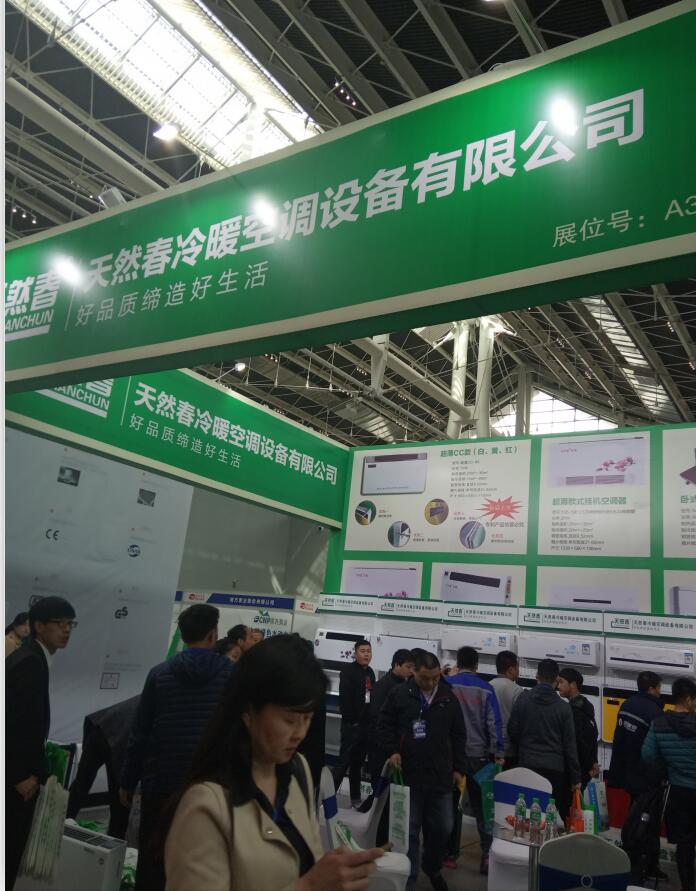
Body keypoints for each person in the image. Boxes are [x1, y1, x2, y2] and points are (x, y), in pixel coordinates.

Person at [162, 634, 383, 891]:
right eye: (289, 720)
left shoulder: (297, 770)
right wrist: (310, 885)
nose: (300, 733)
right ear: (248, 711)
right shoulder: (206, 807)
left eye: (307, 719)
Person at [119, 604, 233, 891]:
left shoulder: (159, 674)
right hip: (210, 785)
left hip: (161, 783)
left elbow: (140, 734)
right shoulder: (231, 676)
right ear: (213, 635)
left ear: (183, 636)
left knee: (153, 860)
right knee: (203, 861)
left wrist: (128, 781)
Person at [378, 650, 467, 891]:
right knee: (409, 831)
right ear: (414, 672)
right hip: (408, 775)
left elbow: (459, 735)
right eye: (425, 678)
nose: (430, 683)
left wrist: (459, 768)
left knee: (444, 826)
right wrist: (392, 750)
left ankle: (431, 865)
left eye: (435, 678)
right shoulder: (399, 694)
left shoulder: (448, 697)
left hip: (440, 776)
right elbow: (384, 724)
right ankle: (410, 879)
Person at [5, 596, 77, 890]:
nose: (67, 630)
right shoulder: (30, 663)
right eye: (60, 623)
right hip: (14, 783)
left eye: (71, 624)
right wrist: (18, 775)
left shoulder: (33, 657)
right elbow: (10, 723)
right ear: (39, 626)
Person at [446, 646, 505, 875]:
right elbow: (494, 723)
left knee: (449, 804)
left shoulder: (447, 685)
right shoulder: (486, 689)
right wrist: (497, 752)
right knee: (483, 809)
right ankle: (487, 856)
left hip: (451, 756)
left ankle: (448, 855)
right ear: (477, 665)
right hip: (479, 758)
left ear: (458, 663)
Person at [608, 670, 664, 883]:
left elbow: (619, 737)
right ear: (651, 688)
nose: (660, 692)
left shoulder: (627, 705)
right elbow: (655, 749)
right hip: (647, 777)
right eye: (659, 688)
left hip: (629, 772)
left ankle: (637, 861)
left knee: (636, 817)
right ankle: (645, 865)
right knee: (648, 821)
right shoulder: (655, 712)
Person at [508, 658, 581, 822]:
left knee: (526, 814)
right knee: (549, 817)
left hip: (527, 764)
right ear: (556, 679)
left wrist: (524, 747)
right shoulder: (563, 708)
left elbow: (512, 729)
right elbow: (570, 745)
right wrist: (576, 778)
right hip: (554, 770)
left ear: (537, 676)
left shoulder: (523, 699)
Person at [642, 677, 696, 891]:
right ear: (689, 699)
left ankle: (687, 886)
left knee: (685, 842)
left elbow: (647, 755)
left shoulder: (659, 723)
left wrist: (667, 767)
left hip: (679, 791)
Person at [67, 695, 140, 838]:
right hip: (115, 738)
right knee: (120, 801)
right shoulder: (158, 707)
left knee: (81, 784)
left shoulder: (151, 697)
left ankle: (59, 822)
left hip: (101, 727)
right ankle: (115, 840)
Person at [333, 639, 375, 808]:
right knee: (343, 763)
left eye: (369, 651)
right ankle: (327, 800)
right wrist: (353, 721)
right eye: (362, 651)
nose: (366, 654)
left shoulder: (370, 672)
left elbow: (370, 697)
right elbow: (344, 699)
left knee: (358, 764)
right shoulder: (348, 671)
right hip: (351, 725)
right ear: (355, 653)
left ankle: (355, 799)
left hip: (365, 726)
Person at [367, 648, 415, 783]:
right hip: (381, 749)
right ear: (396, 665)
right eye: (408, 667)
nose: (411, 671)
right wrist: (389, 747)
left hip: (396, 748)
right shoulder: (383, 686)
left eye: (413, 668)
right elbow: (378, 719)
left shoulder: (405, 686)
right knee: (380, 788)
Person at [557, 667, 599, 789]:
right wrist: (593, 762)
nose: (558, 686)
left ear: (573, 685)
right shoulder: (587, 705)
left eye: (561, 682)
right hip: (584, 769)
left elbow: (578, 742)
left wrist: (584, 771)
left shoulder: (572, 710)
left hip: (574, 772)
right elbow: (593, 736)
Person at [490, 649, 523, 769]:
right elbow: (519, 721)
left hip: (490, 745)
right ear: (511, 669)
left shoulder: (488, 686)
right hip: (510, 748)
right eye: (517, 668)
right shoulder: (517, 690)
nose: (518, 671)